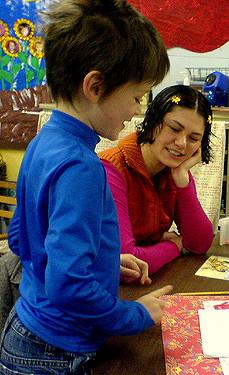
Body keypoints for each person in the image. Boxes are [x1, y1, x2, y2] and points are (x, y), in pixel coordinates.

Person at [0, 0, 172, 374]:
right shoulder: (82, 166)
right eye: (136, 96)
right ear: (95, 86)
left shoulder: (43, 142)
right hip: (56, 351)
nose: (136, 111)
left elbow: (21, 238)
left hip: (27, 329)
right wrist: (135, 313)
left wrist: (104, 261)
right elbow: (68, 287)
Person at [99, 85, 214, 274]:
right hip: (103, 291)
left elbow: (199, 244)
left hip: (151, 282)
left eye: (194, 138)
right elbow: (128, 266)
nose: (182, 144)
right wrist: (174, 246)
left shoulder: (174, 171)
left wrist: (182, 180)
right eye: (174, 129)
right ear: (152, 122)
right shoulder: (111, 171)